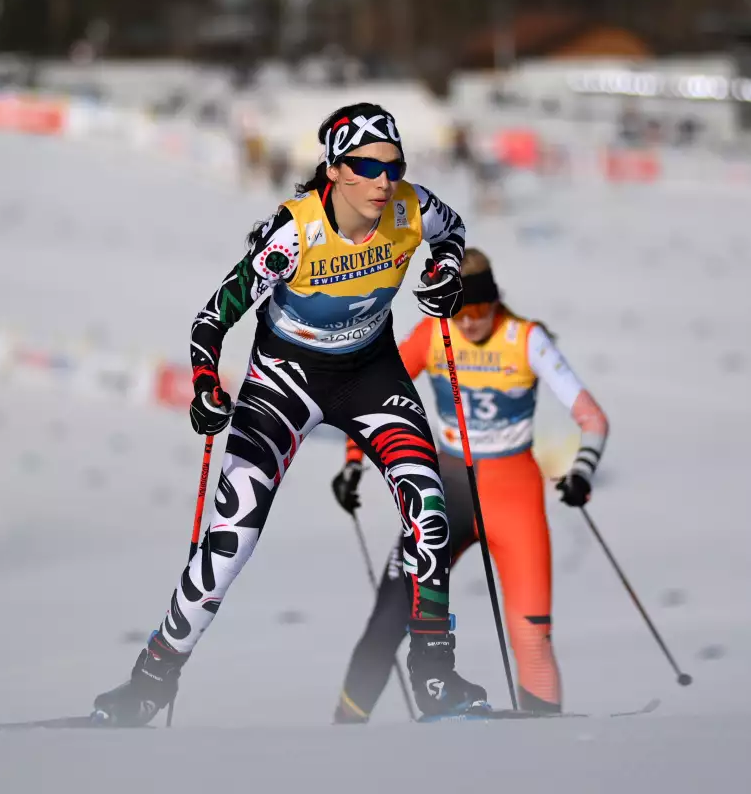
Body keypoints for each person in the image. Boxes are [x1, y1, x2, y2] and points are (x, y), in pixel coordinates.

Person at [93, 102, 489, 725]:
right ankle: (150, 682)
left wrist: (445, 275)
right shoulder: (293, 235)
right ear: (335, 171)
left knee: (430, 506)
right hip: (286, 378)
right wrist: (204, 386)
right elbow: (210, 319)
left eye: (394, 166)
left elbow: (453, 230)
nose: (385, 181)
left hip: (369, 372)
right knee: (232, 540)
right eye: (368, 166)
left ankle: (435, 676)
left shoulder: (412, 208)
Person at [329, 248, 609, 723]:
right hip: (447, 493)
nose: (470, 322)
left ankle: (548, 746)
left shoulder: (526, 339)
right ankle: (344, 733)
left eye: (480, 310)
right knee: (390, 618)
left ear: (496, 302)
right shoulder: (433, 334)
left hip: (513, 496)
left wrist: (582, 469)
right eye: (459, 310)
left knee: (531, 635)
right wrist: (353, 462)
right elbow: (368, 395)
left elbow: (592, 417)